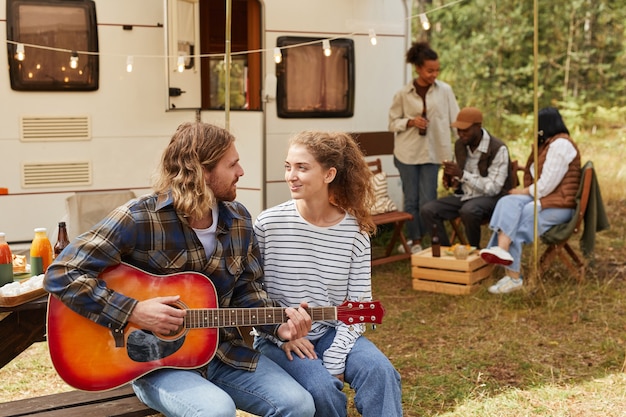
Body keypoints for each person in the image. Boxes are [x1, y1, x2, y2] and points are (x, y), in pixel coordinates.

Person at [44, 122, 316, 417]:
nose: (241, 172)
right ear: (201, 171)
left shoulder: (238, 219)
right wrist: (133, 311)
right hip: (154, 362)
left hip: (224, 353)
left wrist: (279, 325)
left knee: (298, 405)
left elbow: (247, 290)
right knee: (216, 411)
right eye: (232, 164)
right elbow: (62, 273)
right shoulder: (139, 218)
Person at [253, 131, 403, 417]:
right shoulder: (268, 224)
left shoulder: (355, 232)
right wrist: (281, 335)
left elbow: (358, 308)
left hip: (335, 332)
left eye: (302, 167)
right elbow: (251, 292)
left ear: (329, 174)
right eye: (288, 166)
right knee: (321, 389)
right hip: (279, 338)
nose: (291, 176)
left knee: (381, 372)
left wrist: (335, 359)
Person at [479, 107, 581, 294]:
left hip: (559, 204)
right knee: (508, 201)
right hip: (547, 199)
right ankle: (501, 249)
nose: (536, 130)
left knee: (521, 216)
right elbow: (539, 174)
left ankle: (513, 279)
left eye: (538, 126)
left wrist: (523, 190)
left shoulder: (561, 145)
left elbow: (545, 186)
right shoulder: (548, 145)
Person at [388, 41, 460, 253]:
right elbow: (392, 123)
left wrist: (460, 149)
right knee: (411, 199)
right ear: (418, 68)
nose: (434, 74)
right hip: (407, 153)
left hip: (433, 153)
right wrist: (410, 122)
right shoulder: (403, 94)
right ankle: (415, 240)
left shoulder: (445, 90)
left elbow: (455, 120)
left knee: (429, 201)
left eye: (437, 70)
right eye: (430, 70)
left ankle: (435, 240)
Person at [421, 107, 513, 248]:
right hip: (466, 196)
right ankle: (444, 253)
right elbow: (461, 178)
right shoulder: (460, 145)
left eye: (465, 130)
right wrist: (452, 179)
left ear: (478, 127)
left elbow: (493, 188)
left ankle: (474, 252)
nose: (461, 134)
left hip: (495, 199)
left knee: (469, 210)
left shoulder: (498, 148)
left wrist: (462, 175)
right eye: (458, 130)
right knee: (428, 209)